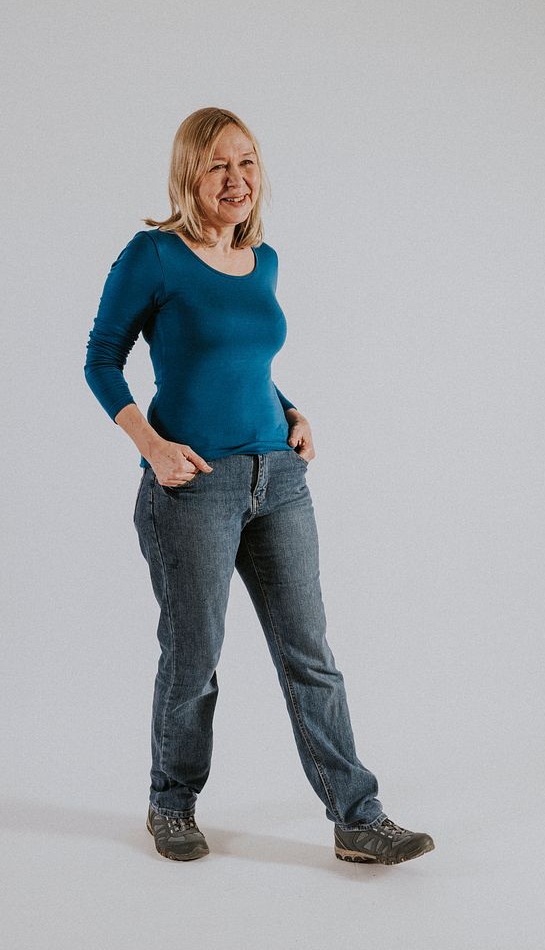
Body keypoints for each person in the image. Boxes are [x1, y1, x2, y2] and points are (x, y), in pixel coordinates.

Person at [84, 106, 435, 865]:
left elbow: (247, 365)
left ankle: (357, 817)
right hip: (194, 486)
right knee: (194, 654)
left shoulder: (263, 260)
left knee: (310, 652)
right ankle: (170, 803)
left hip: (278, 480)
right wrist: (151, 447)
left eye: (246, 163)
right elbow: (100, 359)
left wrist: (290, 409)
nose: (236, 179)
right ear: (188, 174)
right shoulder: (152, 255)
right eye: (217, 165)